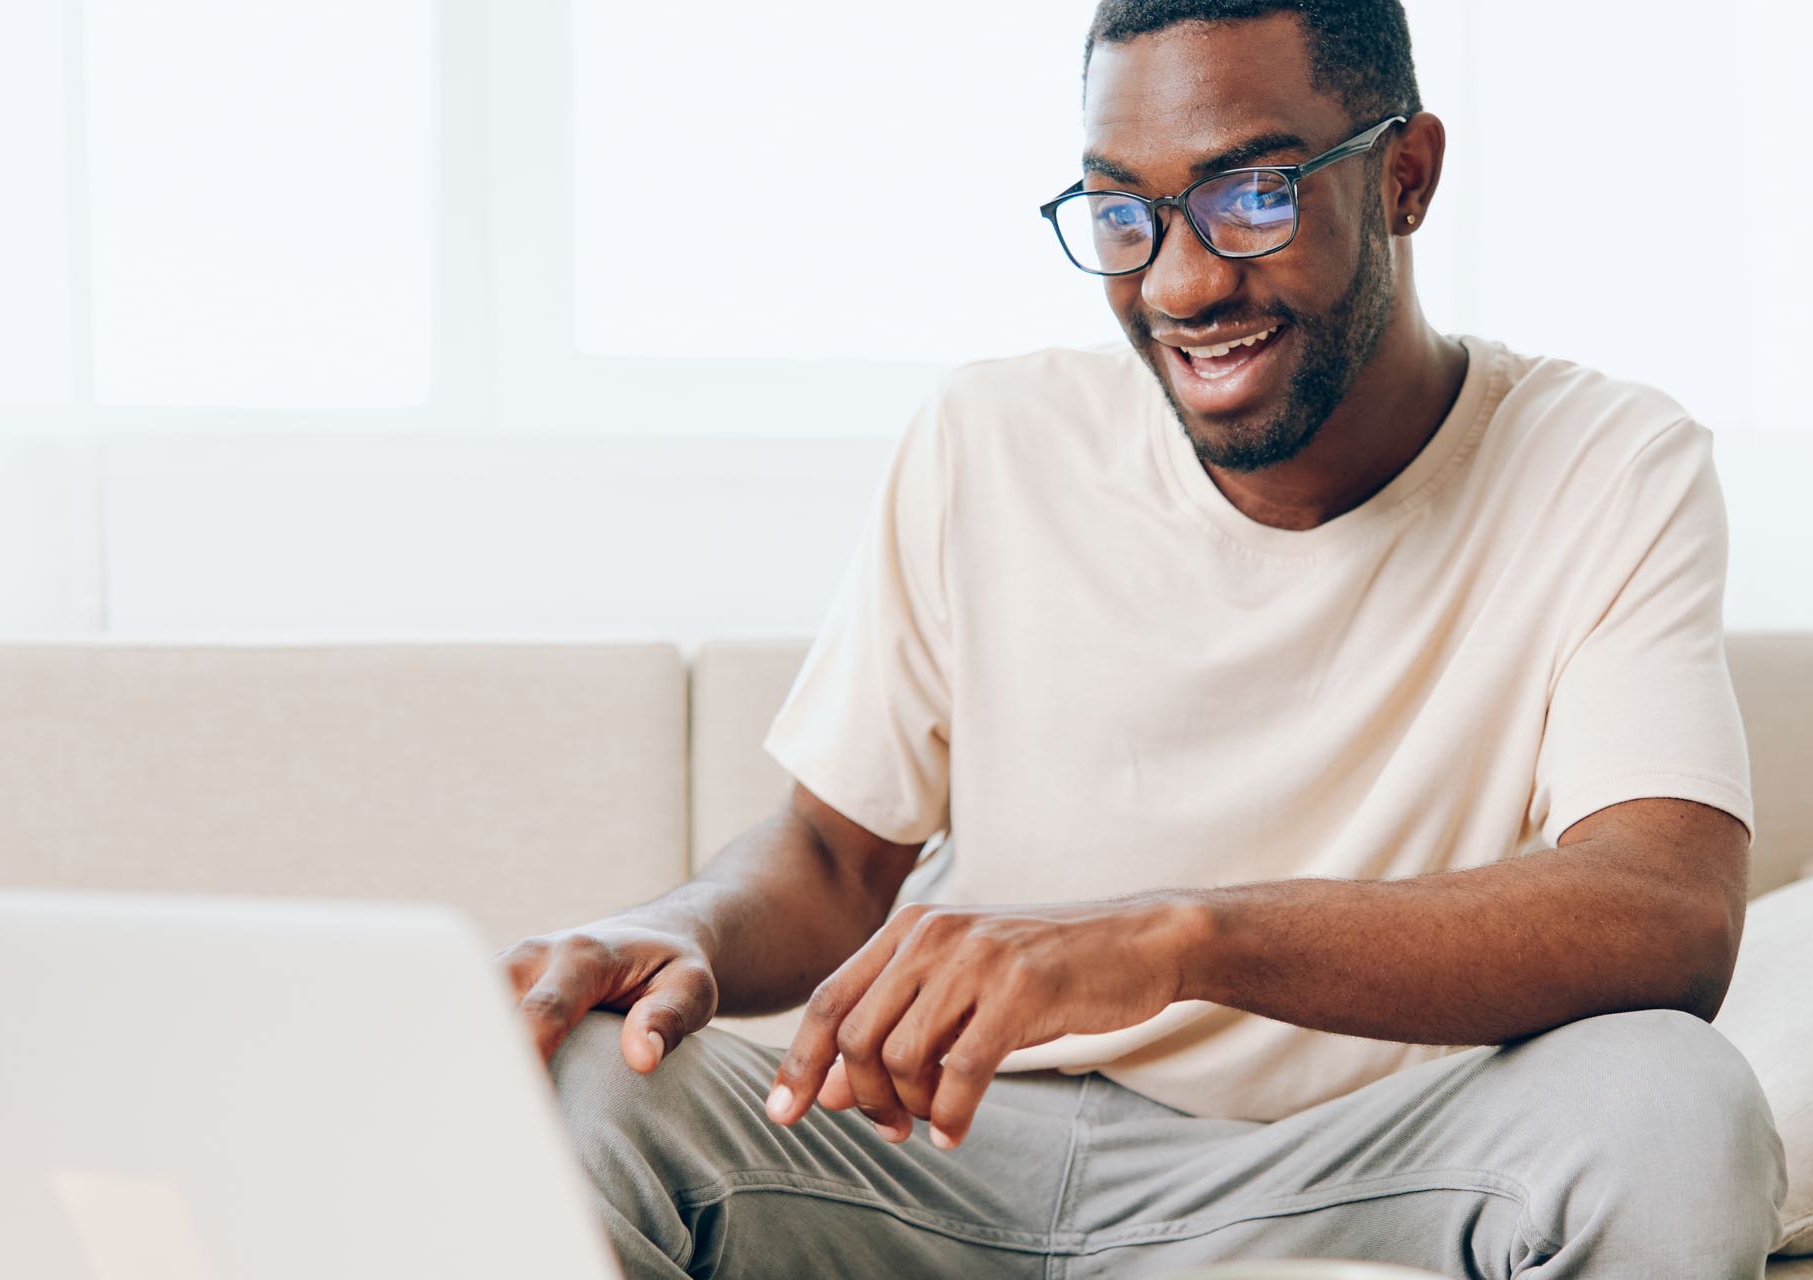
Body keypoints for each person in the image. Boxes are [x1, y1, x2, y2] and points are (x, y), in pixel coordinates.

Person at [499, 2, 1787, 1275]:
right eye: (1123, 211)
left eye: (1255, 195)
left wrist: (1171, 944)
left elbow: (1663, 911)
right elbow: (836, 859)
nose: (1179, 281)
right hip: (951, 1146)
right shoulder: (991, 439)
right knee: (578, 1089)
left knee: (1670, 1110)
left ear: (1406, 175)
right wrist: (678, 930)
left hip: (1366, 1153)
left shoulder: (1609, 464)